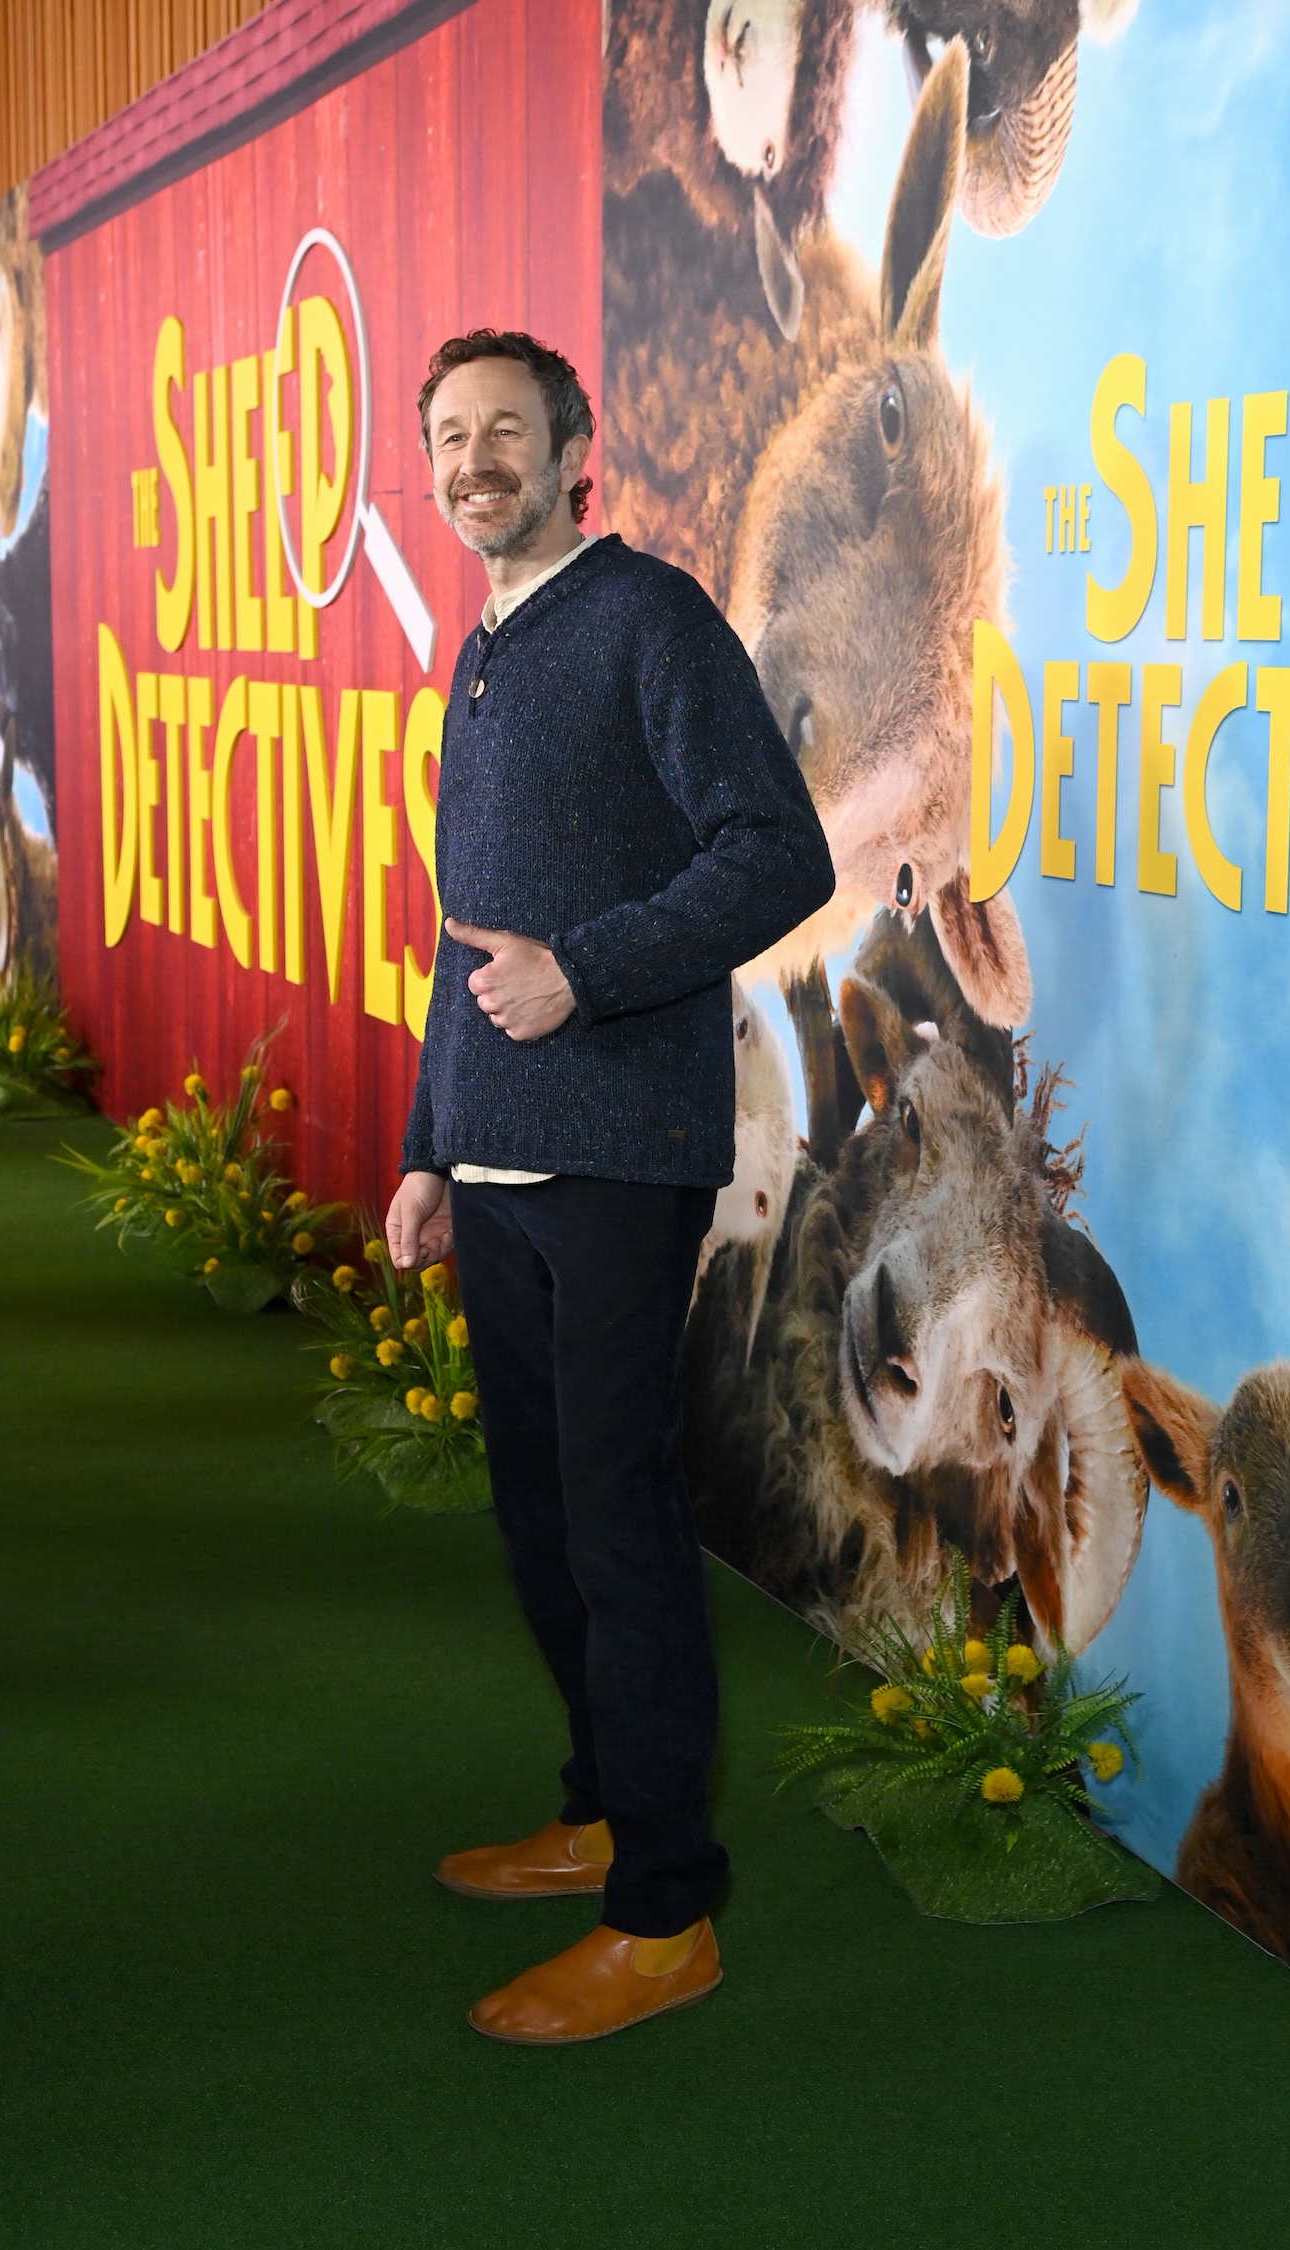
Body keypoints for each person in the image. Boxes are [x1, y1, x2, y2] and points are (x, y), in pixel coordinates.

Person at [386, 328, 833, 2045]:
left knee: (620, 1523)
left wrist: (587, 971)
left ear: (577, 449)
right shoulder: (484, 650)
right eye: (449, 435)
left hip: (621, 1156)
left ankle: (664, 1911)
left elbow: (778, 852)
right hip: (496, 1164)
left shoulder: (650, 619)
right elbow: (466, 933)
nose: (473, 459)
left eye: (505, 428)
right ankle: (597, 1810)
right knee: (540, 1517)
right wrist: (430, 1144)